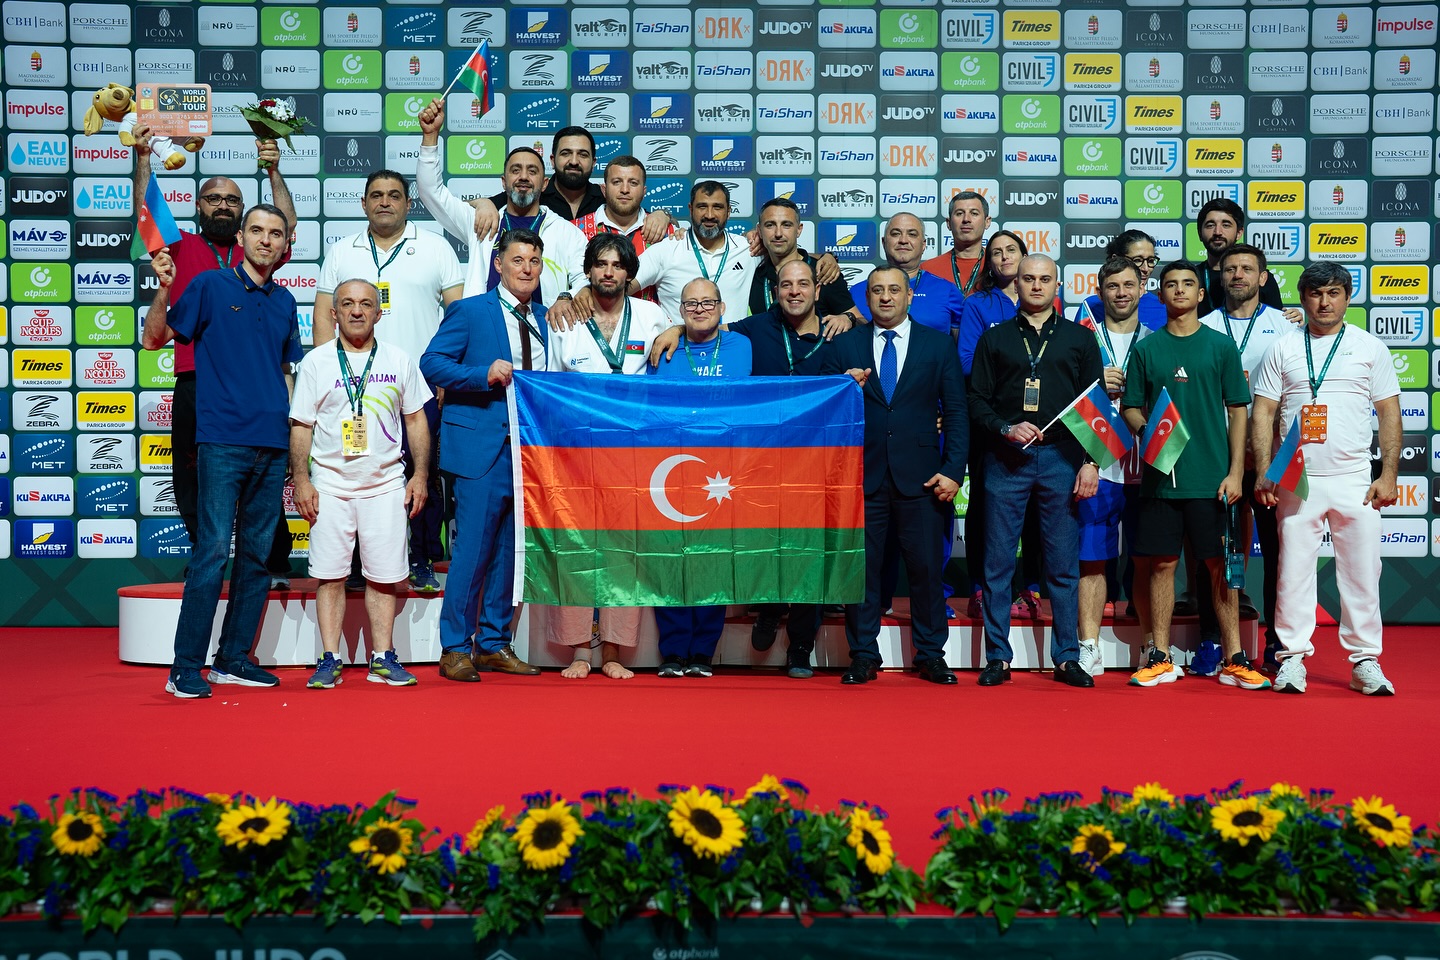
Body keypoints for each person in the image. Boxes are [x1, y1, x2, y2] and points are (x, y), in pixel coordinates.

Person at [142, 204, 303, 699]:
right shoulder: (210, 286)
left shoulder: (285, 301)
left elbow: (286, 373)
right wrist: (164, 288)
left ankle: (232, 659)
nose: (266, 240)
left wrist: (293, 441)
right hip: (222, 441)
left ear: (284, 245)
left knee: (257, 557)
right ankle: (185, 668)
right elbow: (153, 339)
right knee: (211, 553)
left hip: (272, 444)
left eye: (275, 233)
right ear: (241, 237)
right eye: (257, 230)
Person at [132, 125, 297, 590]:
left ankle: (273, 561)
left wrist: (274, 171)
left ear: (243, 216)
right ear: (198, 206)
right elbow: (147, 213)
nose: (223, 205)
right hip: (196, 379)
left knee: (263, 474)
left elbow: (285, 223)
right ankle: (205, 555)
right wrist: (143, 157)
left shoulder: (258, 251)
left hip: (255, 383)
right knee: (191, 475)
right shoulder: (181, 245)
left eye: (232, 200)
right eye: (213, 199)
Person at [1252, 262, 1401, 696]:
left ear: (1347, 298)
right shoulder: (1282, 347)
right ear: (1303, 298)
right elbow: (1263, 412)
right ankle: (1291, 658)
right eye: (1316, 294)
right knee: (1292, 573)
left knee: (1362, 573)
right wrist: (1265, 471)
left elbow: (1389, 412)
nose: (1324, 302)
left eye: (1334, 293)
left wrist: (1389, 473)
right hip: (1297, 478)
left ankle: (1365, 660)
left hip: (1355, 477)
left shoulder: (1369, 347)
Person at [1119, 261, 1270, 691]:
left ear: (1201, 294)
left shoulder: (1221, 346)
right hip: (1161, 480)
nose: (1180, 290)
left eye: (1188, 284)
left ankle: (1234, 658)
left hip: (1212, 480)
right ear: (1160, 295)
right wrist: (1147, 431)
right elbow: (1130, 406)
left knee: (1219, 568)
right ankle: (1160, 657)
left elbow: (1237, 410)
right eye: (1171, 285)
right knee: (1162, 564)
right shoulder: (1146, 349)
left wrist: (1236, 473)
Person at [312, 171, 463, 594]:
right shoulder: (342, 251)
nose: (384, 202)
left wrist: (447, 373)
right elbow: (323, 316)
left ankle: (422, 557)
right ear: (363, 204)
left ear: (408, 203)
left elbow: (458, 318)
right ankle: (356, 563)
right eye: (376, 195)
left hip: (420, 385)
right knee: (355, 474)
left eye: (394, 195)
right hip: (354, 387)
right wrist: (327, 377)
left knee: (423, 474)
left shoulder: (435, 247)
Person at [820, 266, 968, 686]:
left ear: (908, 296)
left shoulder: (937, 345)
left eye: (894, 290)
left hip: (923, 480)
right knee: (862, 573)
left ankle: (931, 655)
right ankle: (864, 655)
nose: (885, 297)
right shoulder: (844, 346)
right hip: (861, 479)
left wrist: (953, 470)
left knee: (926, 572)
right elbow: (825, 414)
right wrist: (840, 387)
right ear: (867, 298)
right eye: (877, 291)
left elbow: (957, 413)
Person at [288, 280, 434, 689]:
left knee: (383, 576)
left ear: (378, 312)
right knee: (330, 575)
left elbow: (416, 420)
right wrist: (302, 480)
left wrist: (420, 475)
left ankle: (382, 657)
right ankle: (329, 657)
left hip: (385, 484)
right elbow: (301, 426)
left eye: (366, 304)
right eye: (348, 304)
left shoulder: (399, 359)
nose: (357, 311)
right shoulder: (316, 362)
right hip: (330, 485)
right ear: (333, 313)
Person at [420, 228, 550, 681]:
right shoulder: (471, 310)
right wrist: (482, 374)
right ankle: (455, 647)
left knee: (511, 553)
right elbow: (432, 362)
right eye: (517, 260)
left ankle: (493, 643)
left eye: (534, 261)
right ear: (498, 264)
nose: (526, 269)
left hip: (530, 453)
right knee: (473, 550)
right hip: (482, 448)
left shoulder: (548, 318)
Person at [968, 255, 1102, 688]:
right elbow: (976, 400)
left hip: (1062, 457)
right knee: (998, 564)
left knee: (1061, 565)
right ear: (1017, 284)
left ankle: (1066, 657)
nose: (1037, 286)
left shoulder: (1079, 339)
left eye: (1045, 279)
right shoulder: (996, 338)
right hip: (1007, 459)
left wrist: (1091, 462)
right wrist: (1004, 428)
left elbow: (1096, 405)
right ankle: (998, 657)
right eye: (1029, 278)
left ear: (1057, 285)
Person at [545, 233, 674, 680]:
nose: (608, 272)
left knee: (625, 550)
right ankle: (581, 650)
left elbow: (680, 344)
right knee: (577, 548)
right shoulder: (566, 318)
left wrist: (676, 328)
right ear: (588, 270)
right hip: (575, 452)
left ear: (629, 274)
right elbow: (550, 386)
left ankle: (614, 650)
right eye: (601, 264)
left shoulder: (651, 316)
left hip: (633, 454)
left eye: (617, 265)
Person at [732, 260, 843, 678]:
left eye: (803, 284)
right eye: (786, 285)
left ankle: (800, 645)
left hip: (817, 463)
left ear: (817, 290)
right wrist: (672, 331)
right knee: (767, 541)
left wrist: (852, 318)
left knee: (809, 552)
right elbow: (707, 330)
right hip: (764, 461)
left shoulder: (838, 334)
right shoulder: (756, 327)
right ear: (775, 291)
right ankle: (769, 606)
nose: (794, 291)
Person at [648, 278, 754, 676]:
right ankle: (673, 651)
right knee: (671, 558)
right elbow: (654, 408)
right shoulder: (666, 349)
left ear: (722, 307)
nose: (699, 309)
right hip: (672, 466)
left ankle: (702, 652)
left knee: (713, 558)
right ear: (680, 311)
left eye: (708, 302)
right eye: (690, 304)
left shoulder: (741, 346)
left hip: (723, 471)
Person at [1195, 242, 1292, 671]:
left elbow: (1293, 392)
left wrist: (1265, 450)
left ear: (1263, 278)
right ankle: (1211, 638)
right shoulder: (1203, 326)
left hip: (1269, 457)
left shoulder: (1285, 327)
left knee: (1278, 553)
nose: (1237, 275)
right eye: (1230, 269)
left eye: (1247, 269)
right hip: (1218, 456)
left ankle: (1277, 640)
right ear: (1220, 277)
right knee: (1213, 552)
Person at [416, 99, 587, 303]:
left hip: (542, 322)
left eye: (532, 171)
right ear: (504, 182)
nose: (523, 177)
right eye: (515, 170)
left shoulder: (565, 232)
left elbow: (585, 280)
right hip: (486, 322)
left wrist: (566, 297)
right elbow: (432, 192)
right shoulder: (481, 223)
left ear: (544, 184)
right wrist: (430, 136)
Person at [955, 229, 1044, 619]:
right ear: (988, 263)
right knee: (984, 506)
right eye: (996, 252)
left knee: (1038, 506)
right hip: (990, 421)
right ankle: (980, 588)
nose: (1004, 257)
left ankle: (1032, 588)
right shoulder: (978, 304)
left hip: (1038, 423)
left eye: (1011, 250)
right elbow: (966, 361)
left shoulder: (1043, 301)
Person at [1075, 258, 1152, 676]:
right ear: (1099, 290)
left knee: (1147, 560)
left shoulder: (1155, 339)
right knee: (1092, 560)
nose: (1121, 293)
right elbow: (1063, 394)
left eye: (1128, 285)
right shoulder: (1083, 339)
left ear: (1142, 288)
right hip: (1099, 464)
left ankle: (1151, 647)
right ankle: (1089, 645)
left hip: (1146, 466)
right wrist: (1092, 381)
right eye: (1112, 286)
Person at [572, 155, 675, 302]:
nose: (625, 190)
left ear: (644, 191)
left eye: (633, 183)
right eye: (617, 182)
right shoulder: (575, 230)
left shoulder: (667, 233)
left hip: (649, 316)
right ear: (604, 189)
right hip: (591, 315)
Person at [849, 213, 964, 339]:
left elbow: (962, 345)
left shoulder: (947, 291)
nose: (903, 240)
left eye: (912, 234)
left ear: (923, 245)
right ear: (884, 242)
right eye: (895, 234)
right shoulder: (856, 292)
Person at [747, 197, 858, 326]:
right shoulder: (752, 274)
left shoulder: (823, 272)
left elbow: (860, 321)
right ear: (759, 231)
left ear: (799, 230)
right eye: (770, 225)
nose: (778, 233)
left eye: (786, 225)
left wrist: (848, 318)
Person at [1194, 199, 1291, 316]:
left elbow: (1275, 320)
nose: (1218, 232)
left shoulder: (1260, 278)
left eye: (1226, 225)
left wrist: (1291, 318)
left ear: (1239, 233)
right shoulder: (1190, 277)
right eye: (1210, 225)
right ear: (1200, 233)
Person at [1078, 229, 1167, 332]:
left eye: (1151, 261)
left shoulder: (1164, 308)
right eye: (1137, 260)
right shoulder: (1091, 307)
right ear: (1115, 259)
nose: (1146, 269)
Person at [921, 190, 992, 296]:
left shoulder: (998, 267)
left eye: (974, 213)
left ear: (987, 222)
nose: (966, 219)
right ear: (948, 223)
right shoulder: (928, 270)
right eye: (959, 213)